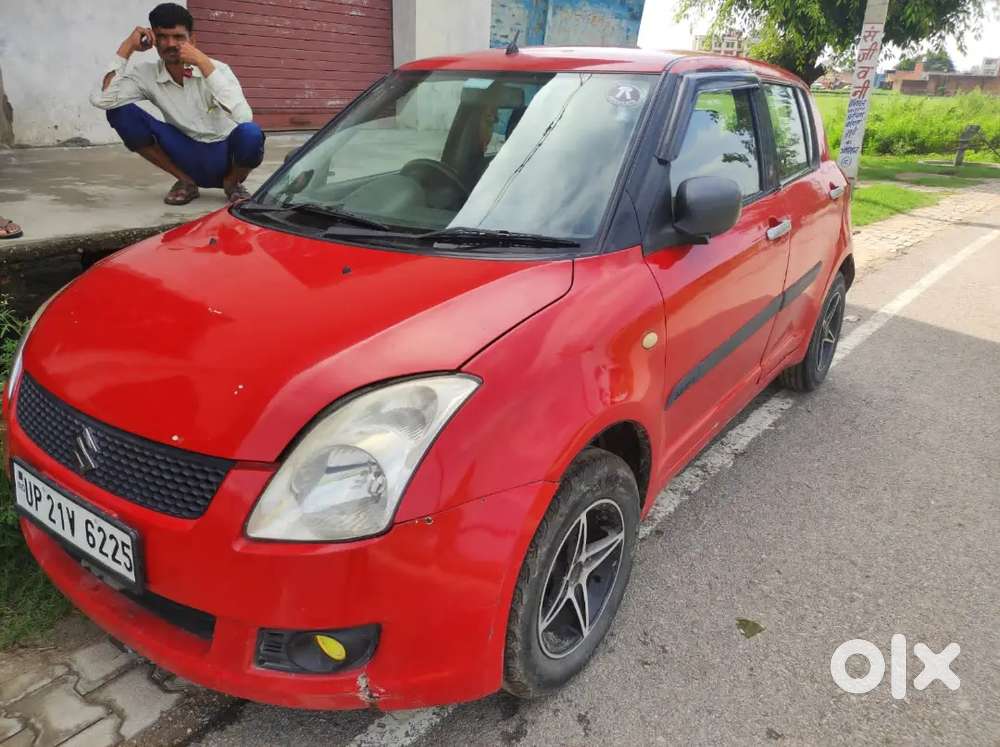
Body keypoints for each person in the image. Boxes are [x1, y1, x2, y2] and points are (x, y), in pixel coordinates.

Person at [90, 3, 264, 205]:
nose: (170, 44)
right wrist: (127, 48)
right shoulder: (146, 74)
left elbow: (243, 117)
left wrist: (203, 63)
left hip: (223, 155)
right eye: (162, 37)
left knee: (251, 133)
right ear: (153, 41)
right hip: (184, 151)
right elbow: (102, 100)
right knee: (118, 112)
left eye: (179, 37)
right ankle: (185, 182)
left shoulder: (217, 70)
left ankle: (232, 184)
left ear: (193, 40)